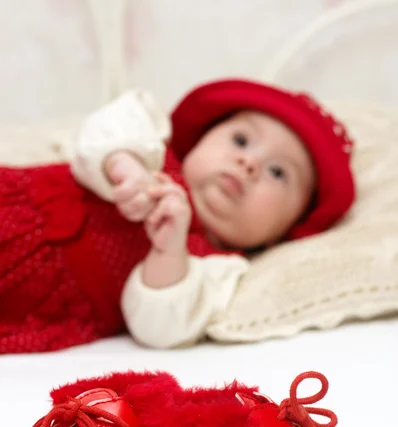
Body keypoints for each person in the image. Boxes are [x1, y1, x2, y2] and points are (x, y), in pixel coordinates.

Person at [0, 79, 355, 353]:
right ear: (199, 140)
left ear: (283, 232)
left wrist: (169, 250)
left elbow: (156, 327)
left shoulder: (217, 269)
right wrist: (124, 164)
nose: (249, 163)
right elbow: (112, 124)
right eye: (241, 140)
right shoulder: (151, 152)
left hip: (26, 302)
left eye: (278, 173)